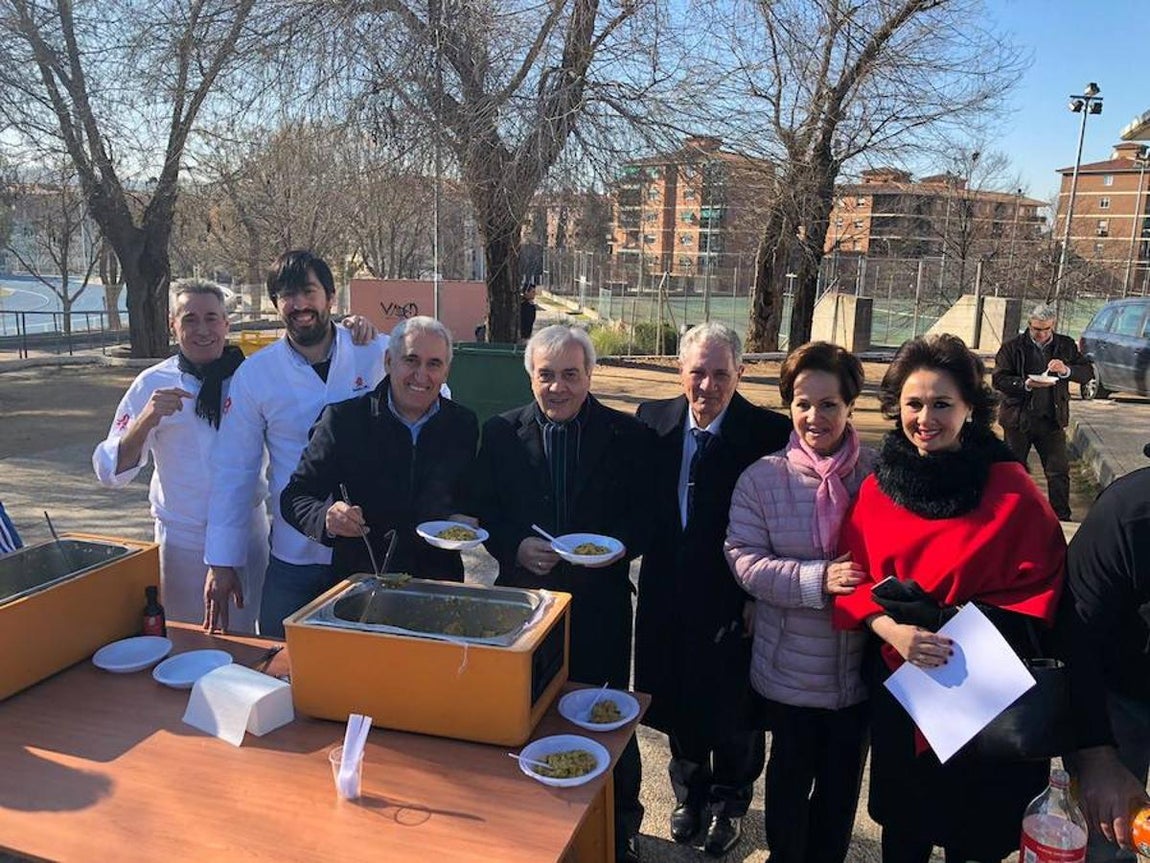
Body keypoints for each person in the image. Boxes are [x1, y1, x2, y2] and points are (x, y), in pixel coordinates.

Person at [834, 334, 1066, 863]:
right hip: (904, 682)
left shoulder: (1011, 489)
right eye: (913, 404)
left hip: (983, 683)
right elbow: (853, 579)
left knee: (974, 835)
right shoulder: (878, 487)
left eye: (942, 404)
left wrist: (962, 625)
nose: (925, 418)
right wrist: (892, 630)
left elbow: (1045, 584)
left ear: (969, 408)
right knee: (905, 831)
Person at [471, 324, 650, 863]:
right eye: (546, 375)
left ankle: (619, 828)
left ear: (590, 375)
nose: (558, 387)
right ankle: (534, 828)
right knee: (526, 715)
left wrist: (619, 547)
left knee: (605, 717)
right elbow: (485, 509)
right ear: (530, 376)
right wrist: (514, 545)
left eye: (571, 374)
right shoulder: (500, 433)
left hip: (601, 606)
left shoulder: (627, 435)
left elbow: (647, 516)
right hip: (527, 605)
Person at [632, 322, 790, 857]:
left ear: (740, 373)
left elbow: (780, 521)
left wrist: (759, 596)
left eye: (721, 373)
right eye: (697, 371)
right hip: (667, 589)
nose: (707, 385)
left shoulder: (768, 433)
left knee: (736, 708)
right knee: (676, 695)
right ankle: (690, 793)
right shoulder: (651, 420)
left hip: (734, 593)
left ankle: (731, 801)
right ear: (680, 370)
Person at [725, 341, 874, 863]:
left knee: (840, 793)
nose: (815, 417)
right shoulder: (762, 478)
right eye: (803, 404)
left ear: (850, 405)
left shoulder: (877, 476)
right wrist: (818, 580)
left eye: (829, 404)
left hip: (858, 672)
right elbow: (744, 560)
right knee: (787, 787)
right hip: (788, 671)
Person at [204, 250, 390, 637]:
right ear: (276, 304)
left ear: (331, 297)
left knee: (370, 659)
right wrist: (221, 559)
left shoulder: (374, 353)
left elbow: (431, 400)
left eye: (309, 291)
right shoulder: (256, 374)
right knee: (279, 653)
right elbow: (235, 469)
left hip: (371, 547)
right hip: (294, 553)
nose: (300, 304)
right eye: (287, 295)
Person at [93, 279, 269, 630]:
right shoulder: (151, 384)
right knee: (188, 637)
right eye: (190, 319)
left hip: (247, 532)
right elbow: (110, 472)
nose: (202, 330)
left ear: (226, 324)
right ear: (173, 325)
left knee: (251, 638)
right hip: (182, 542)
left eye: (211, 318)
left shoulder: (255, 378)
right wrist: (145, 419)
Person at [280, 316, 478, 582]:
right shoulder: (343, 421)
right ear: (388, 361)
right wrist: (325, 518)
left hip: (439, 581)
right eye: (411, 360)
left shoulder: (462, 424)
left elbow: (468, 495)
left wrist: (465, 516)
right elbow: (295, 497)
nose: (421, 375)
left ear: (446, 372)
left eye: (434, 364)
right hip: (363, 579)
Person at [1061, 466, 1150, 861]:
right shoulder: (1130, 511)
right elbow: (1074, 639)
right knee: (1108, 836)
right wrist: (1096, 756)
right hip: (1120, 690)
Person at [992, 302, 1093, 520]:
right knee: (1013, 470)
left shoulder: (1065, 345)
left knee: (1058, 471)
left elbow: (1087, 372)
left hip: (1051, 419)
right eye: (1037, 329)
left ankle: (1061, 517)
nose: (1042, 334)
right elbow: (998, 379)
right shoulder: (1012, 347)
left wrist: (1066, 370)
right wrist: (1025, 384)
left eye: (1047, 329)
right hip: (1018, 419)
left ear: (1053, 325)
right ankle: (1010, 515)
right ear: (1029, 325)